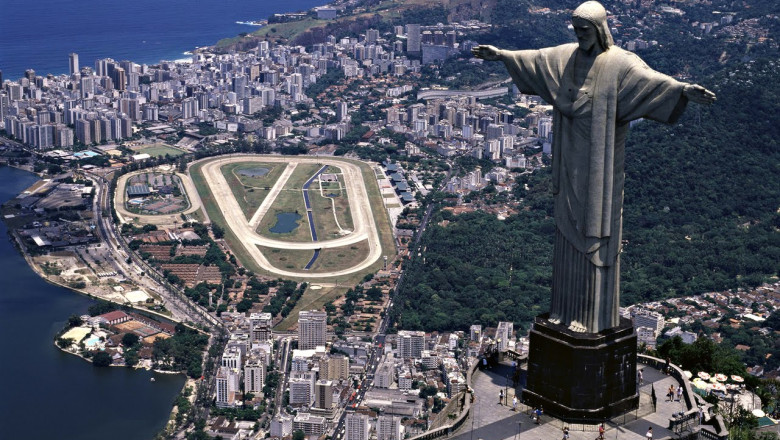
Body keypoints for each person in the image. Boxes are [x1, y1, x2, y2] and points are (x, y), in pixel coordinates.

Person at [471, 1, 715, 334]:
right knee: (566, 231)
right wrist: (501, 55)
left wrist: (683, 89)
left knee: (593, 230)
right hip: (569, 157)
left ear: (600, 29)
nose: (580, 35)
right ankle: (563, 312)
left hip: (600, 166)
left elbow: (651, 82)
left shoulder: (618, 64)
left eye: (585, 30)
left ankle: (593, 318)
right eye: (576, 30)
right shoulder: (567, 56)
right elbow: (535, 59)